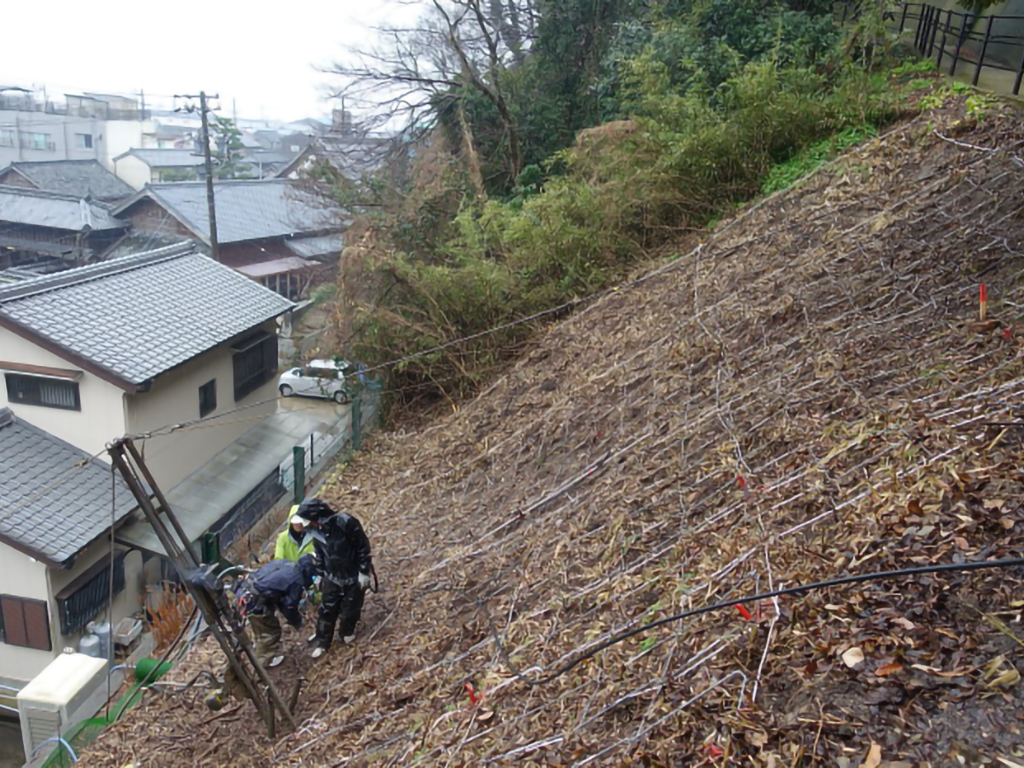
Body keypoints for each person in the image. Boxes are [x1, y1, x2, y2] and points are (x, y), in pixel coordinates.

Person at [293, 498, 372, 659]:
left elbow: (363, 547)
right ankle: (323, 641)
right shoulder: (316, 533)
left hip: (352, 574)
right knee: (327, 609)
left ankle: (346, 632)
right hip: (332, 576)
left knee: (351, 607)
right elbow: (320, 554)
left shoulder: (346, 523)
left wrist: (363, 571)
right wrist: (320, 574)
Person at [237, 554, 318, 667]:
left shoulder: (286, 563)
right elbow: (290, 606)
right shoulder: (297, 579)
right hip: (255, 600)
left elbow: (279, 594)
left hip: (245, 589)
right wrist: (297, 622)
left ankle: (257, 653)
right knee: (270, 633)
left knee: (261, 630)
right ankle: (262, 664)